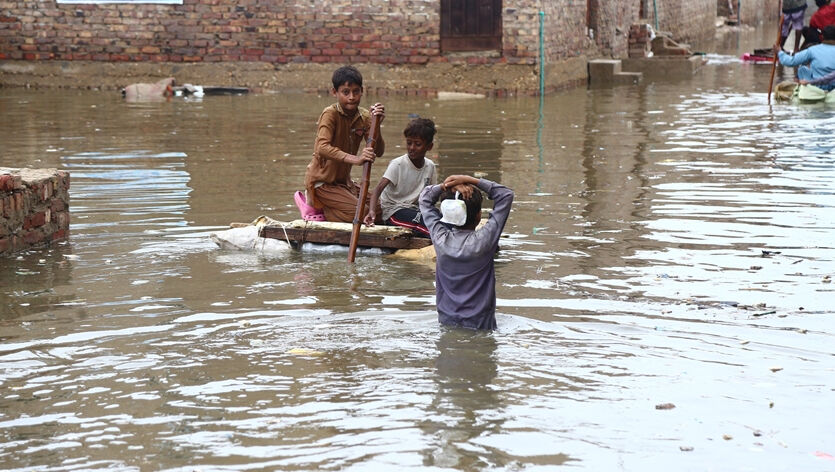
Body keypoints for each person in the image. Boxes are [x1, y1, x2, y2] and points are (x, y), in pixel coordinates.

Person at [419, 175, 514, 330]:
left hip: (446, 323)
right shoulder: (485, 241)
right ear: (478, 216)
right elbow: (505, 195)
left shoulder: (440, 239)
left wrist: (445, 186)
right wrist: (470, 179)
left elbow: (425, 198)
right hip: (481, 326)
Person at [297, 65, 385, 223]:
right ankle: (321, 210)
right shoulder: (330, 114)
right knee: (362, 213)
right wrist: (356, 159)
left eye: (356, 92)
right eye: (346, 92)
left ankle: (331, 207)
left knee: (378, 209)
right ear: (334, 92)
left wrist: (376, 126)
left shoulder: (364, 116)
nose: (351, 97)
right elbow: (321, 147)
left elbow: (379, 152)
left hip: (344, 183)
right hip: (322, 183)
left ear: (362, 91)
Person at [362, 118, 437, 236]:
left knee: (438, 219)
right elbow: (377, 190)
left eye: (417, 144)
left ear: (429, 146)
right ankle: (446, 243)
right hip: (394, 212)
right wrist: (372, 211)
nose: (412, 148)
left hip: (414, 210)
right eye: (409, 143)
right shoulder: (398, 164)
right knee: (426, 224)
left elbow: (432, 195)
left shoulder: (430, 166)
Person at [775, 25, 835, 91]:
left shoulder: (812, 50)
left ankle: (801, 87)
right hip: (829, 85)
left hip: (817, 86)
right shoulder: (812, 50)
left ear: (822, 37)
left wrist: (779, 52)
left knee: (802, 69)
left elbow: (791, 61)